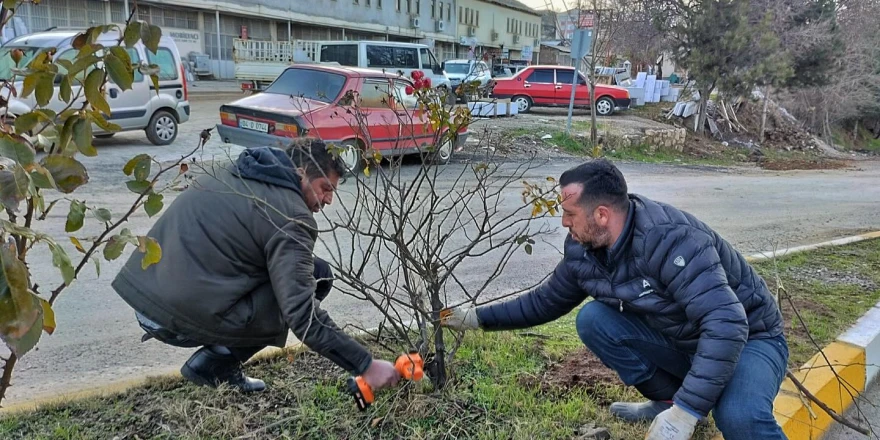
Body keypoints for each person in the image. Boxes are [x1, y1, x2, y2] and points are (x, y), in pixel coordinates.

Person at [441, 159, 789, 440]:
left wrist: (687, 413)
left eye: (570, 214)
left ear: (602, 214)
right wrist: (475, 318)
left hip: (752, 339)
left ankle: (682, 407)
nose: (563, 222)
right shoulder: (583, 249)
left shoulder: (670, 239)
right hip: (684, 339)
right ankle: (665, 400)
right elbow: (546, 302)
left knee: (739, 418)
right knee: (594, 320)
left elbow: (726, 323)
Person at [111, 139, 400, 393]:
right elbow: (301, 314)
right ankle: (214, 365)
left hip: (146, 294)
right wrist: (365, 364)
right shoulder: (291, 217)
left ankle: (214, 360)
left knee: (309, 271)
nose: (328, 200)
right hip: (172, 318)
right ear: (301, 173)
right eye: (325, 188)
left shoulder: (243, 171)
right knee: (318, 277)